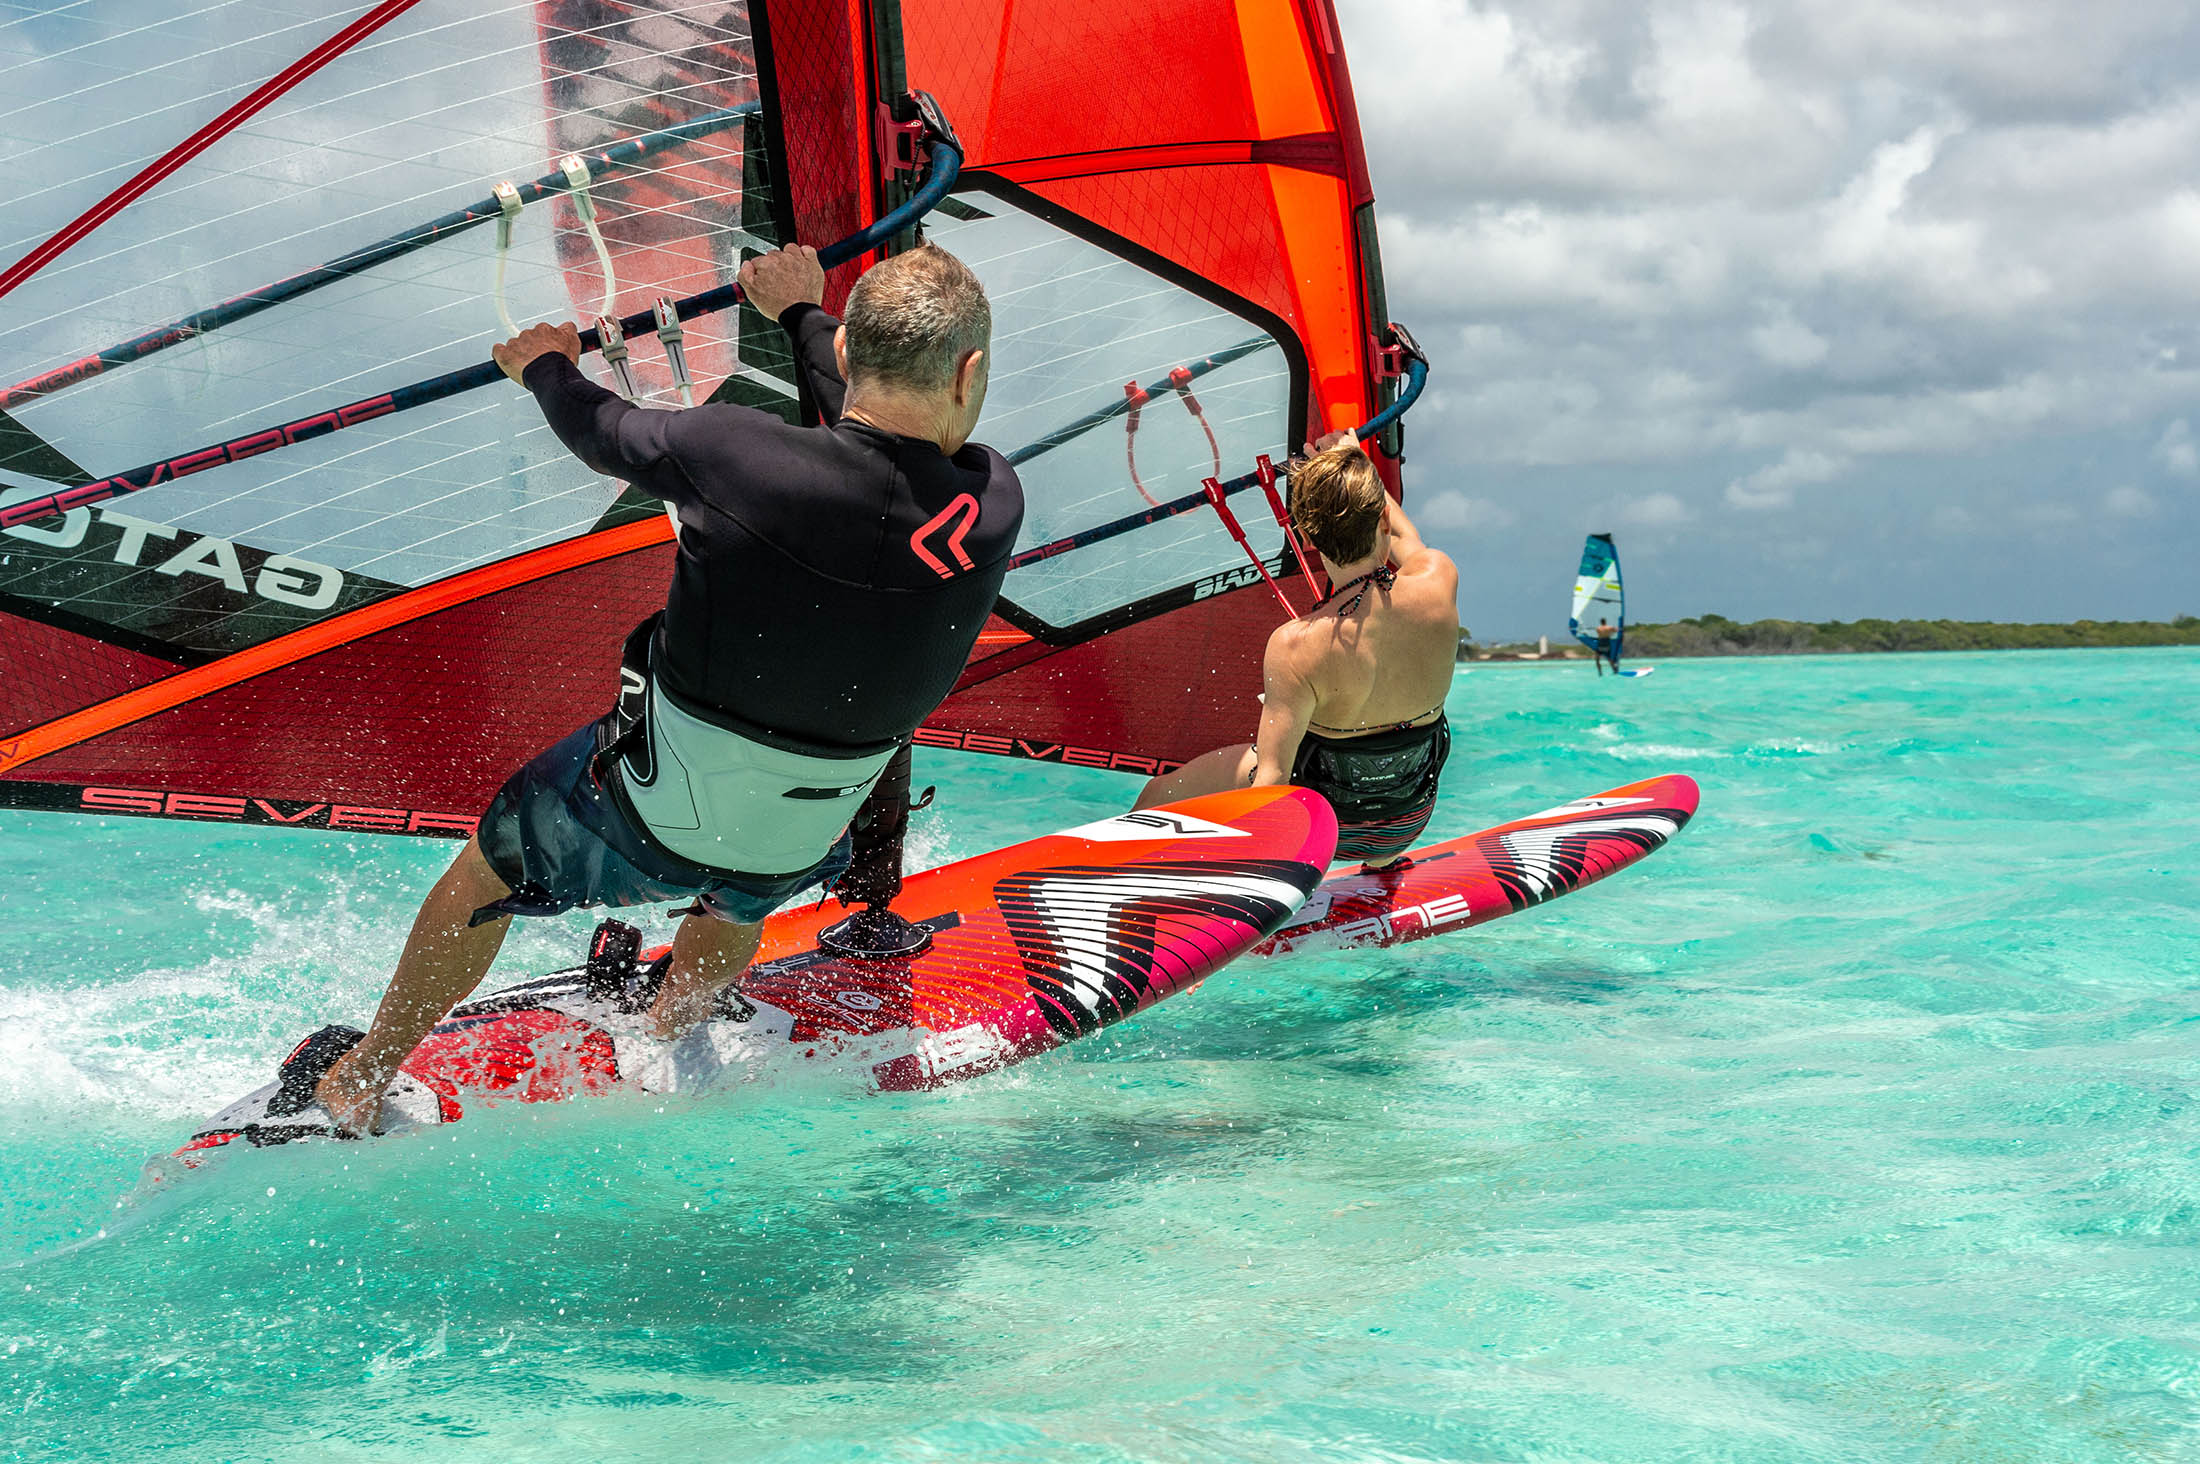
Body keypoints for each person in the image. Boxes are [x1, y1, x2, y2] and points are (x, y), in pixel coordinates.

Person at [312, 242, 1023, 1135]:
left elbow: (599, 430)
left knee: (494, 861)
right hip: (802, 836)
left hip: (653, 808)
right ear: (971, 371)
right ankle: (674, 1024)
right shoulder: (992, 501)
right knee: (747, 884)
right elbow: (886, 454)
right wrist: (805, 316)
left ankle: (365, 1073)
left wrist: (543, 366)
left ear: (848, 359)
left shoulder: (727, 452)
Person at [1132, 438, 1458, 868]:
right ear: (1380, 516)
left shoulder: (1295, 645)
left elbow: (1271, 782)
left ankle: (1134, 874)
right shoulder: (1438, 581)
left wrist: (1256, 893)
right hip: (1406, 824)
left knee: (1161, 794)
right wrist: (1358, 459)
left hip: (1326, 831)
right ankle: (1384, 863)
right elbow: (1403, 536)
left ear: (1304, 533)